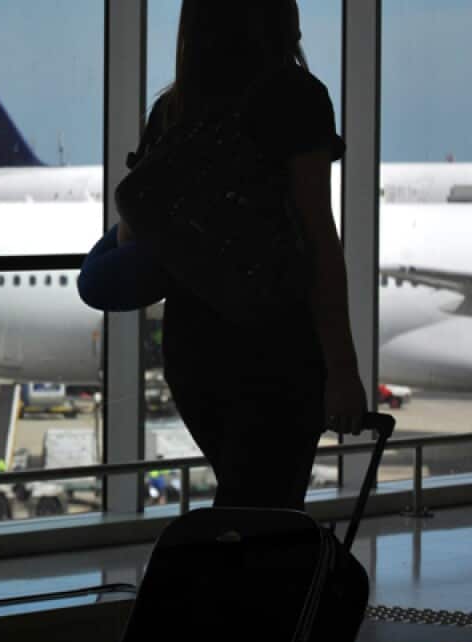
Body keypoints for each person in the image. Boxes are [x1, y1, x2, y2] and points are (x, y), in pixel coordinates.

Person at [78, 0, 367, 511]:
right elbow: (318, 238)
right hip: (278, 344)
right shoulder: (296, 98)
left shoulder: (174, 110)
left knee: (246, 501)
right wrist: (342, 370)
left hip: (195, 350)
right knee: (269, 507)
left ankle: (218, 585)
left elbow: (133, 234)